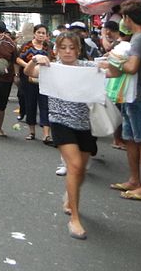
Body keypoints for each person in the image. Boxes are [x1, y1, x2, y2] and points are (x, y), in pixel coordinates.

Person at [23, 32, 96, 239]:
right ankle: (74, 218)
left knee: (80, 170)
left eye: (72, 47)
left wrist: (112, 64)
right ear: (56, 49)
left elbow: (115, 73)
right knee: (74, 166)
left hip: (84, 124)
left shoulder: (87, 67)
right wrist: (35, 59)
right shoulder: (50, 66)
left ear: (78, 49)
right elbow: (30, 74)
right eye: (63, 47)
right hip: (60, 122)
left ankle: (69, 197)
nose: (67, 52)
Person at [102, 0, 141, 202]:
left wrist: (113, 61)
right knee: (130, 137)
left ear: (127, 19)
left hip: (140, 94)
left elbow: (131, 67)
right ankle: (134, 180)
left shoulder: (140, 40)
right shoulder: (140, 38)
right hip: (133, 94)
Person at [16, 24, 53, 144]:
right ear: (34, 33)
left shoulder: (48, 47)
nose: (41, 35)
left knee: (45, 105)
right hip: (28, 80)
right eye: (39, 32)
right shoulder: (27, 46)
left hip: (45, 80)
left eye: (44, 33)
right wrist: (28, 66)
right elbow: (18, 59)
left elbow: (52, 60)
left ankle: (46, 135)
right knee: (30, 104)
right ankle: (31, 132)